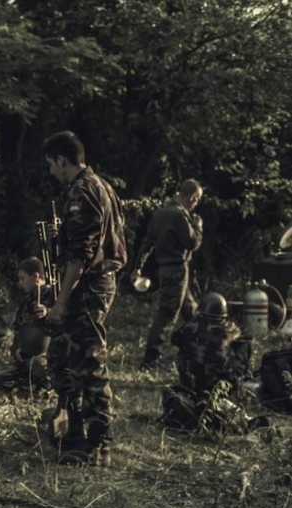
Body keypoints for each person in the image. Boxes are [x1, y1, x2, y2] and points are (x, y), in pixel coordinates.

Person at [42, 130, 127, 466]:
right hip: (96, 283)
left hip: (89, 286)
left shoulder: (82, 190)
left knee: (89, 363)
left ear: (62, 160)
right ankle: (74, 431)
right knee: (67, 356)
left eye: (52, 165)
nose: (52, 173)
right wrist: (63, 232)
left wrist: (61, 301)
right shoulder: (101, 186)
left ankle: (98, 443)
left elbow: (81, 255)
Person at [164, 292, 263, 433]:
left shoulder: (190, 326)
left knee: (183, 352)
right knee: (241, 348)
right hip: (220, 385)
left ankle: (209, 407)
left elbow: (175, 339)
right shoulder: (229, 330)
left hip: (191, 381)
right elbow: (239, 359)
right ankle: (235, 418)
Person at [131, 178, 204, 370]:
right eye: (197, 200)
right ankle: (150, 360)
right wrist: (198, 226)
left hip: (165, 269)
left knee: (190, 311)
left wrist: (138, 266)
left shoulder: (160, 213)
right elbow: (192, 242)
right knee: (167, 314)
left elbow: (147, 242)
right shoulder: (180, 215)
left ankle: (198, 352)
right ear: (192, 197)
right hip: (177, 269)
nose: (195, 204)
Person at [0, 257, 53, 393]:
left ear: (35, 276)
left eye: (23, 278)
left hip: (48, 358)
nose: (20, 283)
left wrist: (48, 312)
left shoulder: (55, 296)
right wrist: (17, 349)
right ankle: (29, 384)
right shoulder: (26, 301)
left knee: (40, 366)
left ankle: (44, 385)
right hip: (26, 360)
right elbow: (18, 331)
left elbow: (64, 324)